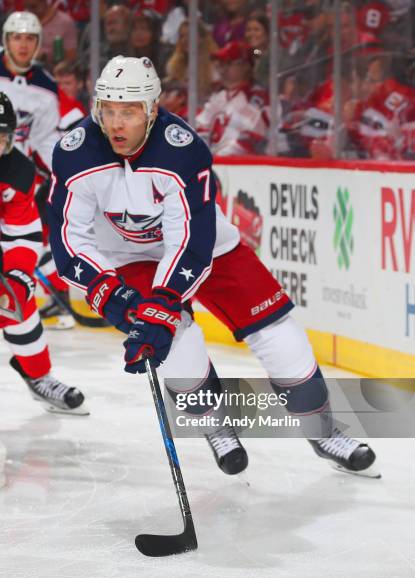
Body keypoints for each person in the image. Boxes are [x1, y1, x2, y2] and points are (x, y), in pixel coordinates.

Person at [48, 55, 378, 477]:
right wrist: (111, 293)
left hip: (209, 248)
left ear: (151, 108)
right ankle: (216, 426)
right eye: (108, 110)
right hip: (129, 258)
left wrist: (163, 301)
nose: (116, 123)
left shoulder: (180, 148)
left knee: (284, 340)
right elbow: (68, 239)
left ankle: (324, 431)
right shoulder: (75, 153)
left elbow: (189, 239)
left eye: (128, 112)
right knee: (177, 349)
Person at [0, 92, 87, 416]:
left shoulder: (17, 171)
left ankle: (38, 375)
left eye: (1, 139)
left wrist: (20, 275)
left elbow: (22, 234)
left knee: (16, 302)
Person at [0, 11, 75, 329]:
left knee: (34, 238)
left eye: (30, 38)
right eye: (17, 37)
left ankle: (55, 301)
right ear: (6, 40)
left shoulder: (46, 88)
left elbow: (45, 139)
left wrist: (60, 174)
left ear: (39, 44)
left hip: (17, 174)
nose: (23, 44)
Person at [196, 41, 268, 156]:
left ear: (245, 66)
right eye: (220, 63)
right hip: (215, 163)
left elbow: (251, 140)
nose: (221, 69)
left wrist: (217, 158)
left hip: (242, 167)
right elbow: (201, 125)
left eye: (228, 63)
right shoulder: (219, 96)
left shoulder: (258, 99)